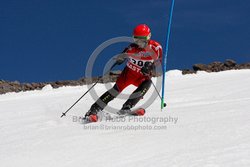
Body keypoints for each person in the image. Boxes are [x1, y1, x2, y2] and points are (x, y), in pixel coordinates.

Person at [85, 24, 162, 122]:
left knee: (147, 83)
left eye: (142, 40)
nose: (139, 43)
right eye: (136, 40)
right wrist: (120, 59)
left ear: (148, 37)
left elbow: (158, 62)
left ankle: (127, 107)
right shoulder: (132, 48)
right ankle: (93, 110)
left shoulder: (156, 47)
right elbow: (122, 55)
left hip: (141, 77)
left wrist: (150, 67)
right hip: (128, 74)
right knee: (114, 91)